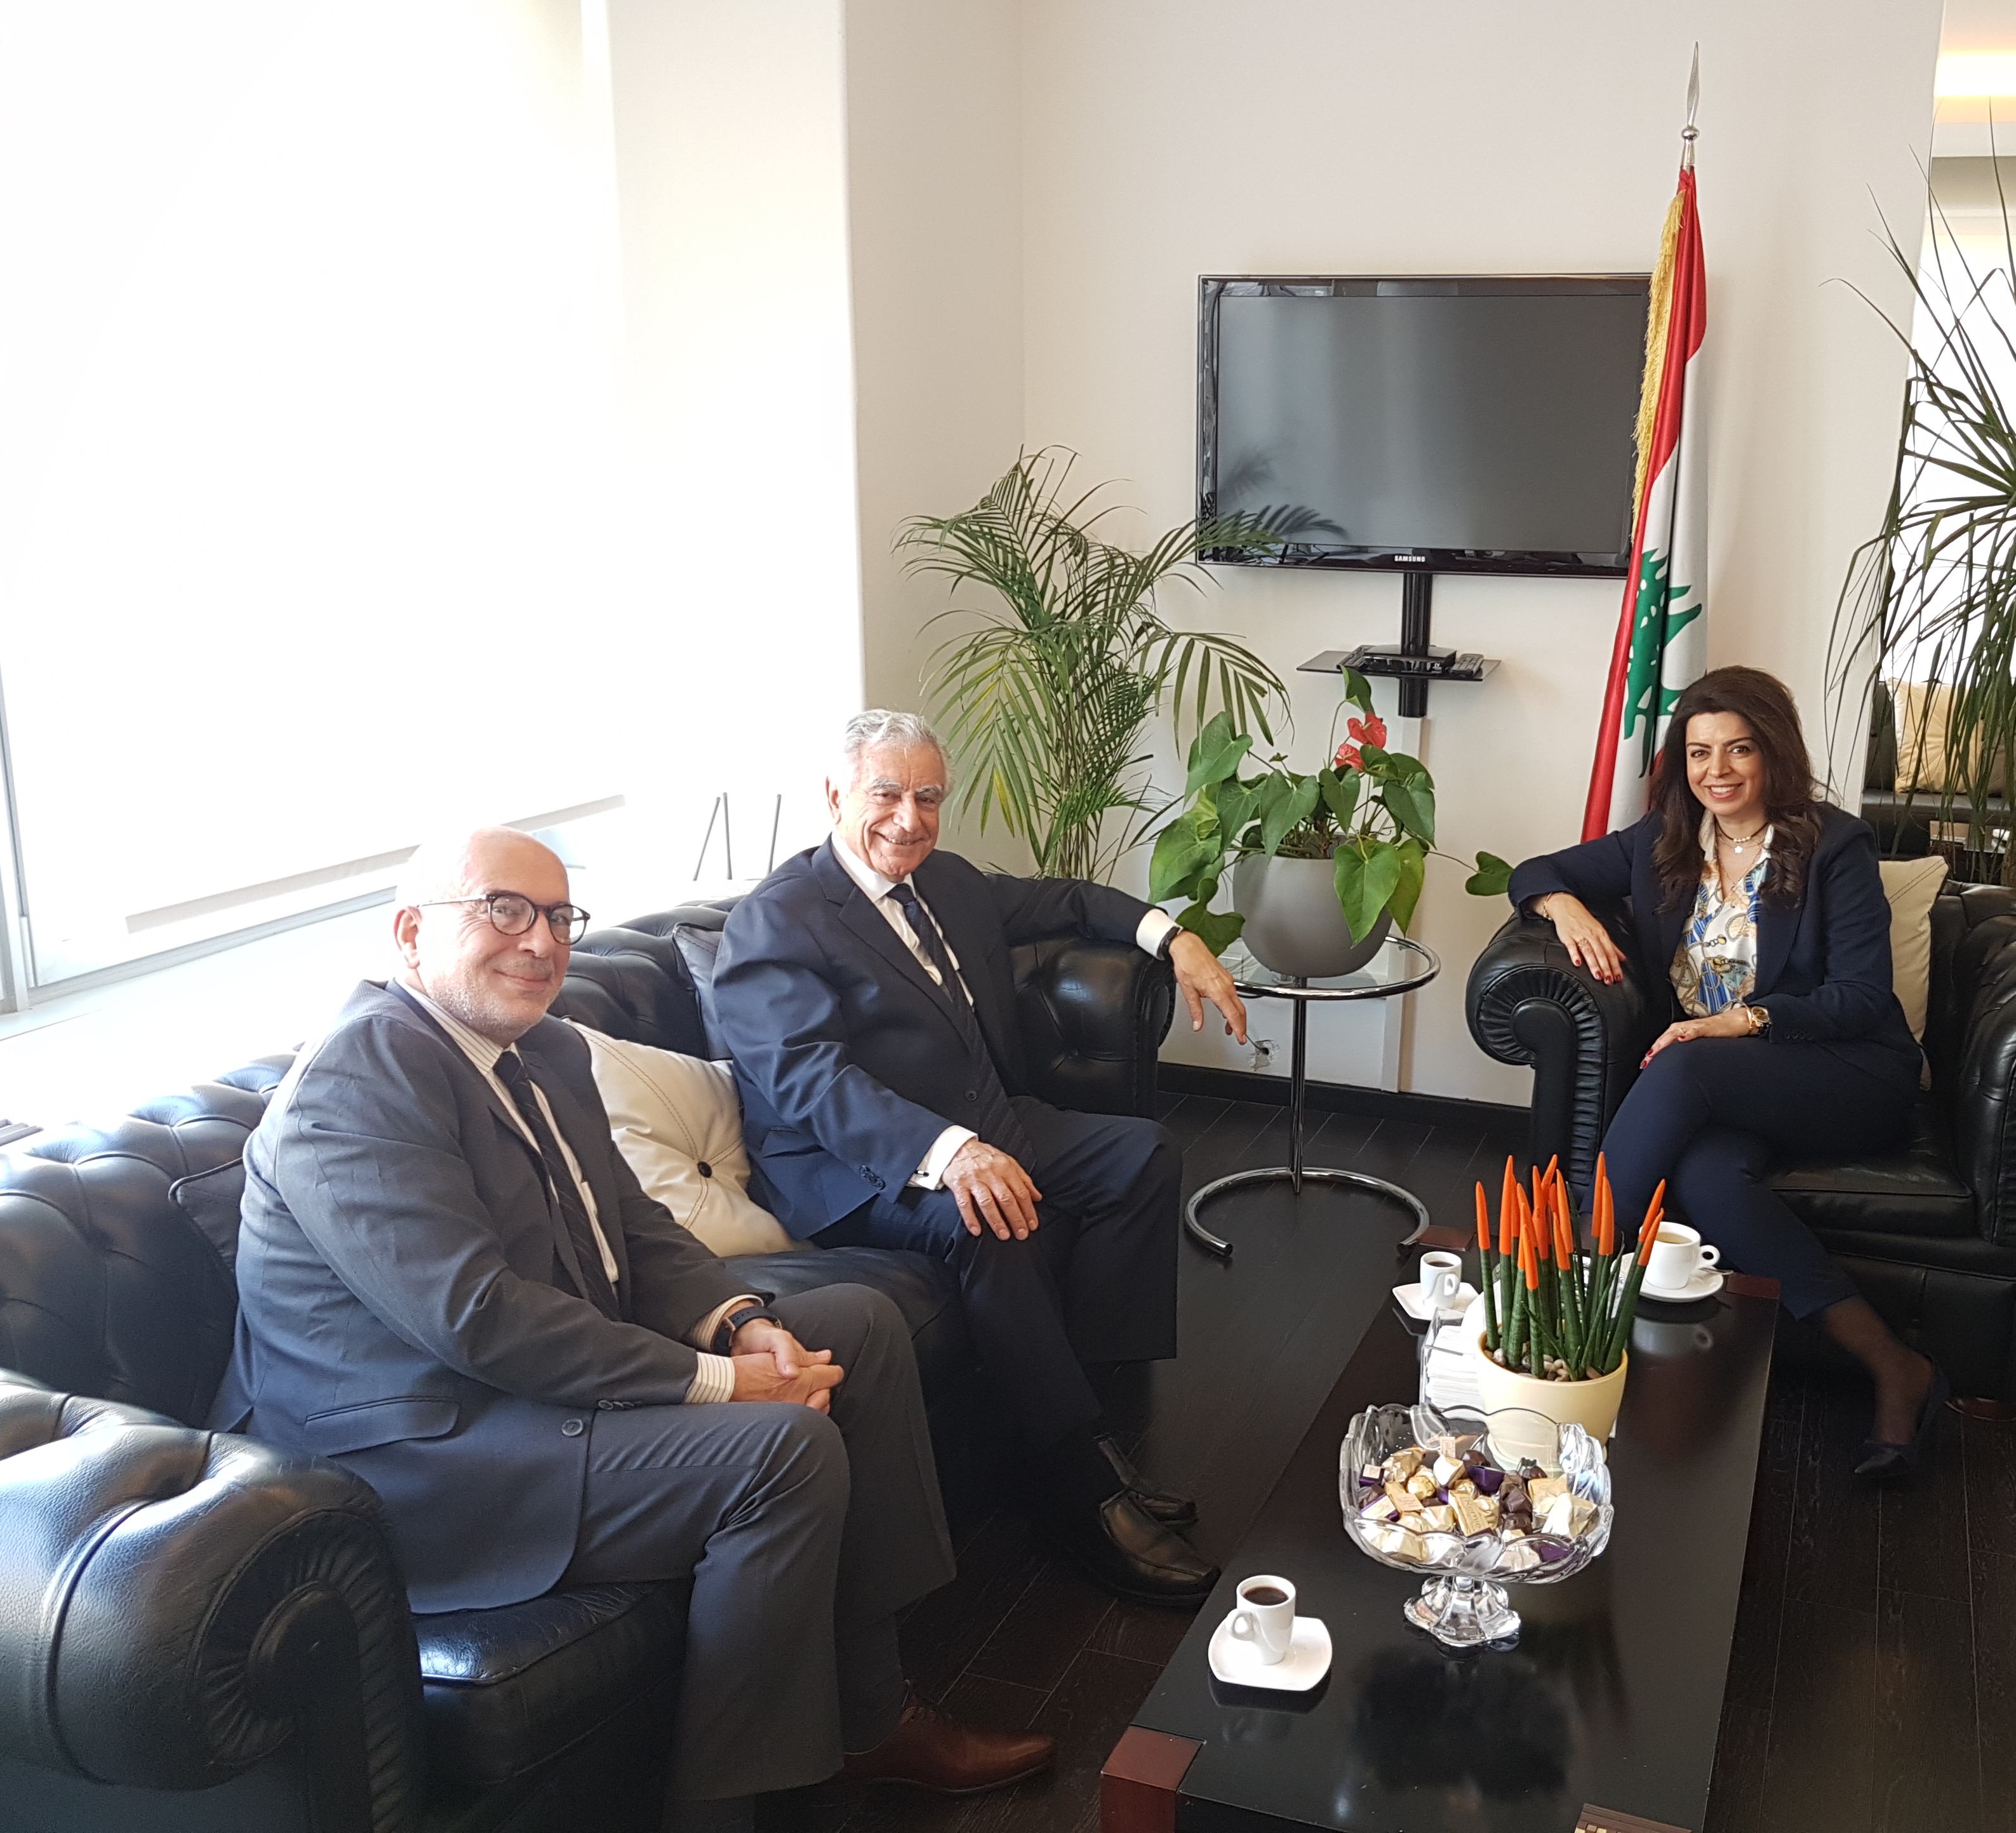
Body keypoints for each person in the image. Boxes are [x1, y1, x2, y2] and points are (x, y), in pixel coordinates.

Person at [212, 826, 1051, 1833]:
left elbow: (634, 1225)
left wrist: (737, 1322)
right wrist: (723, 1384)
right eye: (503, 909)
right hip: (416, 1458)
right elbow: (478, 1318)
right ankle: (717, 1815)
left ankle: (872, 1720)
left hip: (526, 1386)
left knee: (858, 1329)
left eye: (559, 916)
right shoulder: (355, 1085)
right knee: (777, 1453)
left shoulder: (546, 1049)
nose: (541, 941)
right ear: (410, 934)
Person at [712, 710, 1250, 1606]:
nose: (909, 819)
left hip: (983, 1118)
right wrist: (950, 1152)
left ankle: (1093, 1429)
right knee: (991, 1222)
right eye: (887, 794)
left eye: (928, 798)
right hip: (855, 1163)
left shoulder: (948, 882)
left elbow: (1071, 900)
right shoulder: (779, 920)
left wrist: (1176, 938)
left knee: (1141, 1157)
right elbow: (808, 1079)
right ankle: (1077, 1493)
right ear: (836, 795)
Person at [1507, 667, 1946, 1479]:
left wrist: (1741, 1021)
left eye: (1739, 749)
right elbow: (1534, 871)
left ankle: (1565, 1299)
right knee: (1708, 1178)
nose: (1718, 770)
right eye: (1700, 751)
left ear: (1774, 753)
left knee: (1685, 1068)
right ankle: (1894, 1364)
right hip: (1735, 1081)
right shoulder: (1665, 843)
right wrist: (1562, 907)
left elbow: (1861, 996)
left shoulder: (1834, 846)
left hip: (1848, 1072)